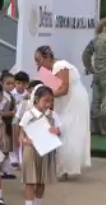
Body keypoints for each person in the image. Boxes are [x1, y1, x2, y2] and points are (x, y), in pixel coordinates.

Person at [33, 46, 91, 179]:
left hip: (74, 99)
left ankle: (65, 168)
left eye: (39, 59)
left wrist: (47, 98)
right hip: (61, 101)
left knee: (69, 130)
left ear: (47, 57)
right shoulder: (44, 72)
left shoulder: (61, 65)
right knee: (60, 130)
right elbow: (52, 89)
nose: (37, 63)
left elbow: (64, 89)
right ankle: (61, 167)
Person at [18, 86, 60, 205]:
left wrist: (56, 131)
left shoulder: (53, 115)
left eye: (51, 101)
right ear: (36, 99)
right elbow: (21, 133)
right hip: (31, 151)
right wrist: (24, 140)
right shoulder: (29, 115)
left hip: (46, 151)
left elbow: (59, 130)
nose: (48, 104)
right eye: (45, 101)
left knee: (41, 181)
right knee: (30, 181)